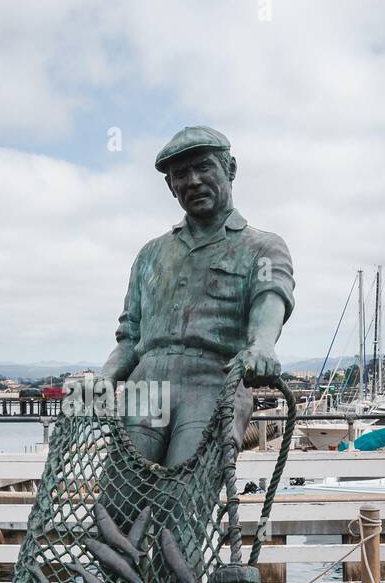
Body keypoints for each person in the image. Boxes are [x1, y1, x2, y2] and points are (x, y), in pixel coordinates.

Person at [98, 125, 295, 466]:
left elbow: (271, 295)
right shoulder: (150, 255)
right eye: (180, 174)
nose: (192, 181)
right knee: (120, 497)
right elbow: (130, 335)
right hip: (147, 386)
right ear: (170, 185)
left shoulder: (262, 247)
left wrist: (261, 345)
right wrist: (103, 378)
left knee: (184, 493)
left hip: (212, 383)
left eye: (204, 167)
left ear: (229, 169)